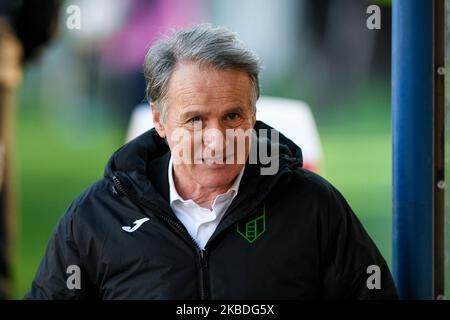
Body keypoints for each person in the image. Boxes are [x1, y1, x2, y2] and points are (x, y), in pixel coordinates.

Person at [25, 24, 397, 299]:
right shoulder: (97, 216)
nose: (217, 141)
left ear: (253, 115)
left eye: (233, 116)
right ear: (160, 121)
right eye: (195, 119)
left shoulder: (314, 207)